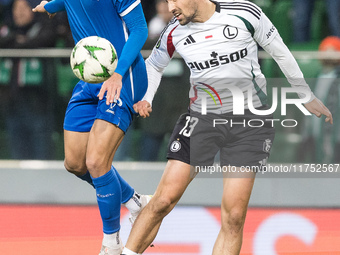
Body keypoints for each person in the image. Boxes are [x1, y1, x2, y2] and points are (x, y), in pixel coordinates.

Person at [121, 0, 333, 254]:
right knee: (162, 200)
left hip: (249, 124)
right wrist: (146, 96)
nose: (170, 6)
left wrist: (305, 95)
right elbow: (154, 65)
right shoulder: (173, 30)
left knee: (233, 216)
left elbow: (280, 51)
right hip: (201, 119)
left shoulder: (245, 13)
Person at [32, 0, 151, 254]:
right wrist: (50, 6)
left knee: (97, 162)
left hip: (122, 77)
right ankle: (135, 201)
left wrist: (118, 74)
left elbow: (140, 29)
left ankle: (112, 242)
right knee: (74, 163)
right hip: (90, 79)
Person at [0, 0, 57, 159]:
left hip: (37, 103)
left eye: (24, 7)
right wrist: (18, 41)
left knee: (42, 157)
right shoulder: (7, 28)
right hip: (11, 103)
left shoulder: (44, 27)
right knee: (18, 156)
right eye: (16, 8)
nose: (19, 12)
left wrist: (18, 43)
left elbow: (45, 39)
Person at [298, 36, 340, 163]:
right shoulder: (315, 79)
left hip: (335, 137)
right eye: (325, 49)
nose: (328, 53)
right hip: (314, 136)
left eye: (333, 50)